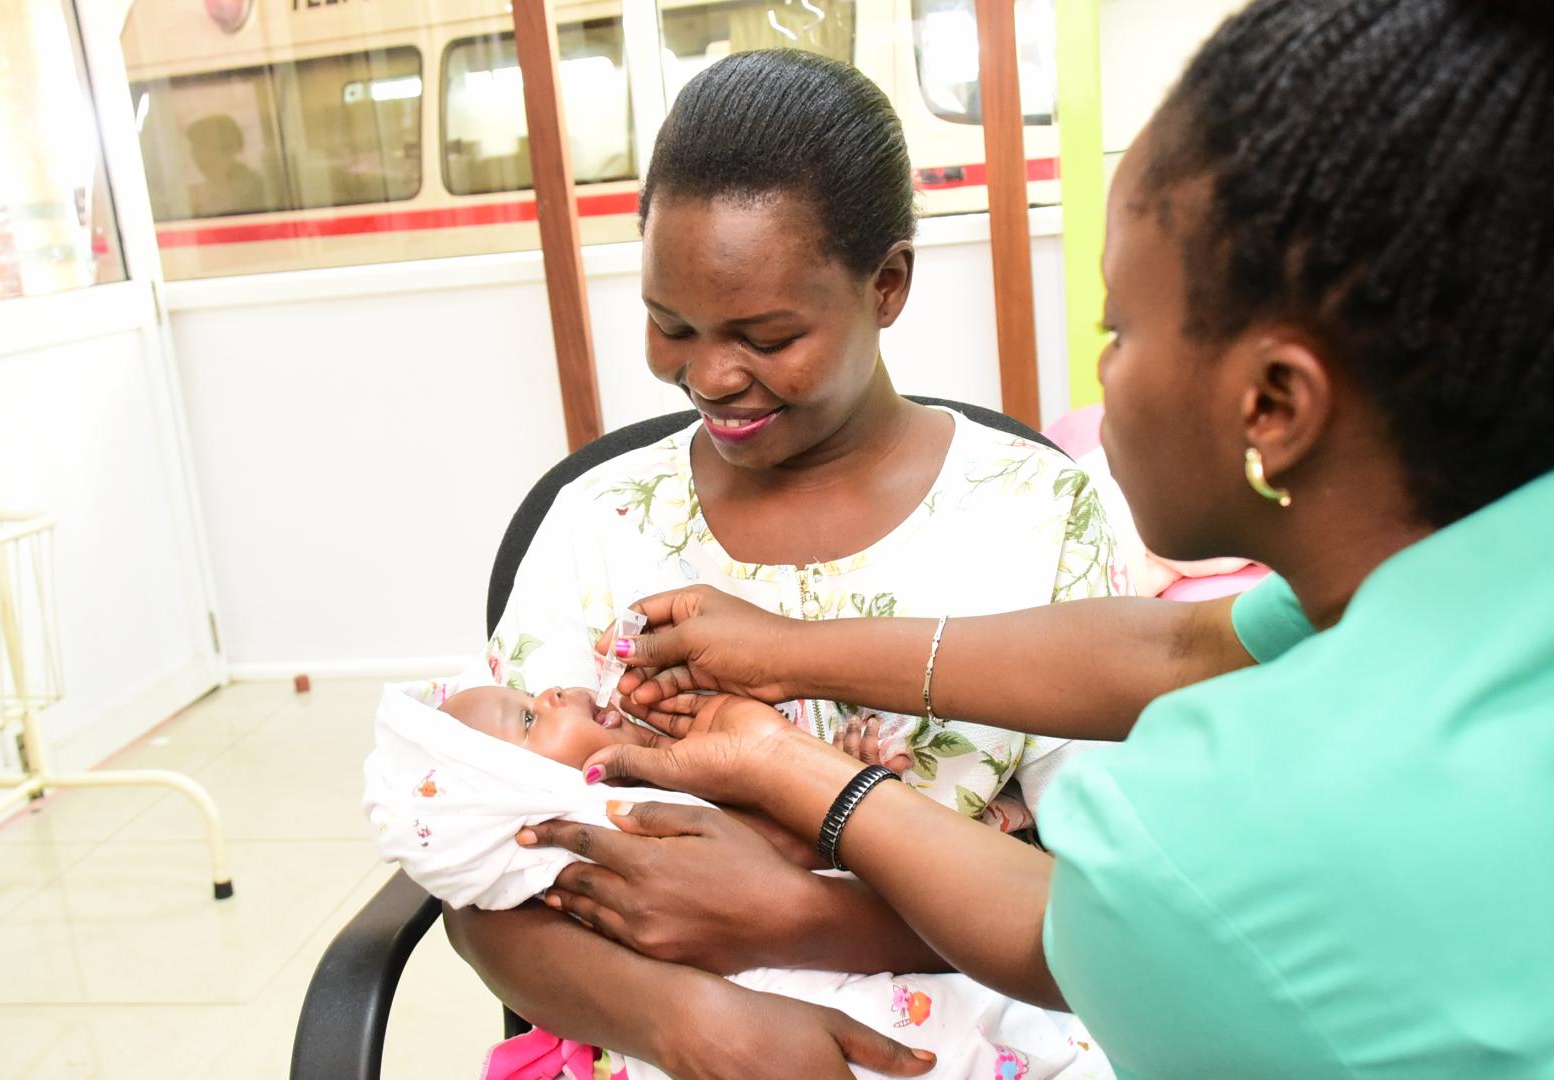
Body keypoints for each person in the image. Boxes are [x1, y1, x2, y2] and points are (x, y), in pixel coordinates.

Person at [525, 1, 1554, 1076]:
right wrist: (787, 656)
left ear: (1272, 406)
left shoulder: (1208, 838)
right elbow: (1168, 649)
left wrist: (784, 804)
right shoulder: (1466, 575)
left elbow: (1062, 927)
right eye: (673, 323)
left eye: (1117, 328)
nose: (1098, 376)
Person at [442, 48, 1122, 1080]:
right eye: (670, 325)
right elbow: (473, 881)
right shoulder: (602, 523)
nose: (710, 375)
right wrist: (688, 1026)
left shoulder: (1038, 516)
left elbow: (1111, 911)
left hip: (985, 1035)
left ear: (884, 284)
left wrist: (791, 920)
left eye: (766, 334)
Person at [365, 682, 1111, 1080]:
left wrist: (836, 785)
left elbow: (804, 853)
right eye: (530, 717)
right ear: (521, 804)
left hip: (986, 941)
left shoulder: (651, 800)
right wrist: (689, 1017)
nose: (557, 691)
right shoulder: (602, 830)